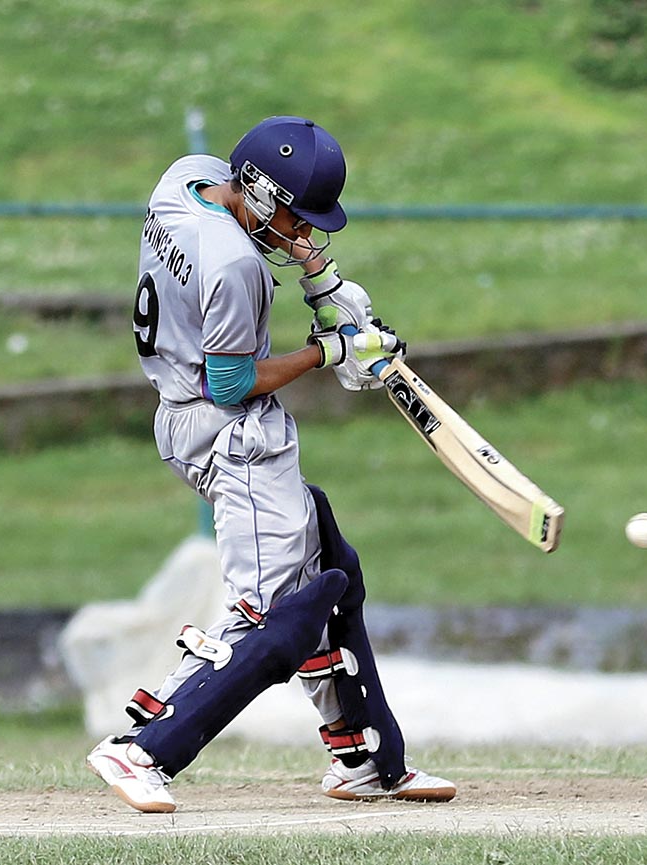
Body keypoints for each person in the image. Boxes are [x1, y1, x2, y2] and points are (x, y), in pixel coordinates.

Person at [86, 115, 456, 813]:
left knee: (328, 570)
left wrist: (321, 277)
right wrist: (330, 351)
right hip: (230, 432)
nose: (301, 231)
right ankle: (142, 746)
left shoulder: (186, 178)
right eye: (295, 217)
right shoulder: (237, 268)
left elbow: (270, 237)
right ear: (256, 191)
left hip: (186, 415)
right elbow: (230, 383)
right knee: (268, 617)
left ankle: (365, 756)